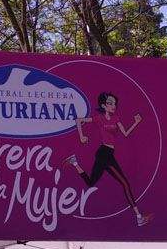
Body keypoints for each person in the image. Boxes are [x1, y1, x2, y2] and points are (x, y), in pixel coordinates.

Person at [64, 92, 151, 227]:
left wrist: (136, 122)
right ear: (104, 105)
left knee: (91, 182)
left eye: (114, 103)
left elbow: (126, 133)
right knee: (125, 184)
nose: (113, 105)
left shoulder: (116, 118)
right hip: (105, 154)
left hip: (107, 153)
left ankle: (74, 162)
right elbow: (78, 120)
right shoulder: (99, 118)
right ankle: (139, 217)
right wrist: (82, 136)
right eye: (110, 103)